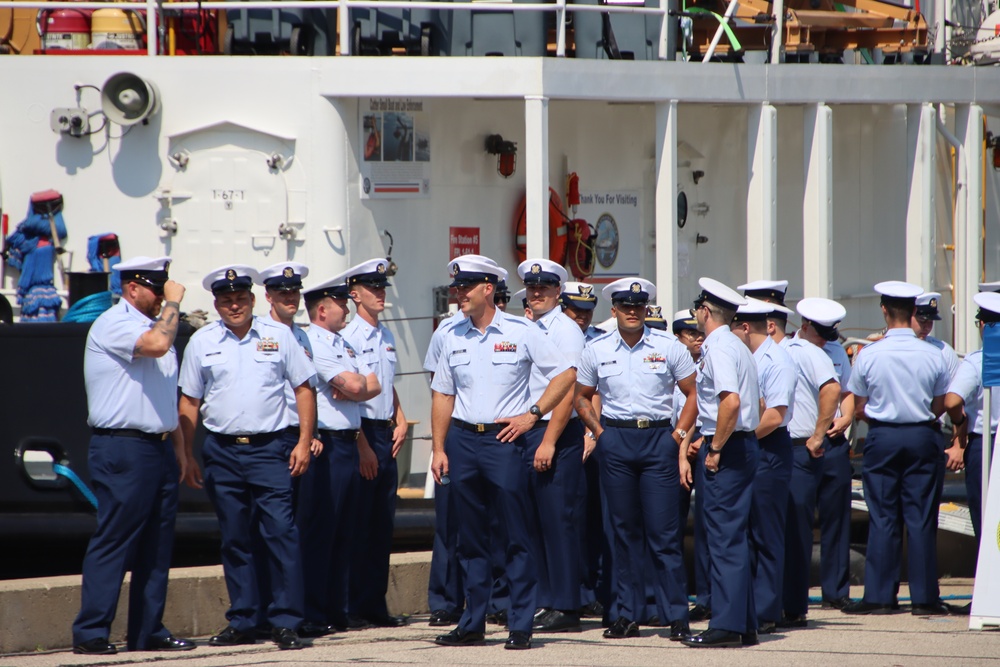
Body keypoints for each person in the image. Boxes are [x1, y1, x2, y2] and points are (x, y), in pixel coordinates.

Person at [430, 255, 576, 651]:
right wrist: (439, 448)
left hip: (503, 441)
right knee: (471, 538)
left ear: (488, 289)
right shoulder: (451, 334)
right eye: (456, 287)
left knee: (515, 535)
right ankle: (472, 621)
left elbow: (565, 374)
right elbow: (442, 393)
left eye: (465, 287)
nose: (458, 293)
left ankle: (520, 623)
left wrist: (533, 415)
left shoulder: (521, 330)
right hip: (462, 440)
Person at [178, 265, 316, 650]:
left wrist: (304, 441)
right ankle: (243, 619)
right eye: (226, 300)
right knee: (235, 538)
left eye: (241, 299)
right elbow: (189, 401)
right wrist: (186, 454)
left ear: (253, 301)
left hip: (270, 449)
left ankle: (286, 620)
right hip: (222, 451)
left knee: (281, 534)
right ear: (217, 304)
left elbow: (304, 389)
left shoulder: (278, 336)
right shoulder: (202, 341)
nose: (234, 306)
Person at [72, 256, 197, 655]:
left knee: (157, 544)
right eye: (156, 291)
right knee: (116, 539)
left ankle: (147, 630)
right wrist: (175, 303)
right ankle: (91, 632)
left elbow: (164, 394)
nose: (163, 298)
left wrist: (178, 448)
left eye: (165, 291)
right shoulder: (116, 323)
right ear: (132, 288)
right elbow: (158, 346)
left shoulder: (153, 324)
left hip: (156, 445)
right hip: (123, 445)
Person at [575, 278, 699, 642]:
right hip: (616, 441)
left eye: (638, 306)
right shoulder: (596, 349)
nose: (632, 312)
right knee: (622, 534)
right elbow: (582, 397)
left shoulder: (667, 346)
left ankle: (676, 615)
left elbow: (692, 394)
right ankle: (626, 615)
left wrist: (676, 437)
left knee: (664, 535)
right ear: (613, 311)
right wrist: (600, 435)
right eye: (625, 306)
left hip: (658, 439)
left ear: (646, 309)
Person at [842, 281, 951, 616]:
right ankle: (924, 598)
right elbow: (941, 402)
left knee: (883, 516)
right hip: (922, 434)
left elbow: (859, 403)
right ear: (913, 313)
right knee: (921, 518)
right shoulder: (934, 353)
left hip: (883, 437)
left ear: (885, 311)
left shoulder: (870, 354)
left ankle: (878, 597)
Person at [298, 273, 382, 635]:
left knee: (344, 532)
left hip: (349, 441)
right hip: (328, 445)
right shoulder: (312, 342)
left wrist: (356, 387)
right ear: (321, 310)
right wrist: (356, 386)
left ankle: (336, 609)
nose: (346, 308)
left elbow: (373, 384)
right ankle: (314, 612)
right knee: (322, 531)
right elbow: (354, 384)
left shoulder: (342, 344)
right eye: (341, 303)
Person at [680, 277, 760, 649]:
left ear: (705, 311)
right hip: (740, 445)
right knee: (735, 538)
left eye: (698, 307)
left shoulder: (719, 348)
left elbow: (730, 403)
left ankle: (726, 625)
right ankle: (743, 622)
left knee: (724, 539)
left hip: (727, 450)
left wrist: (714, 448)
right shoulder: (737, 345)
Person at [516, 259, 587, 634]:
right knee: (537, 521)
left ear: (559, 291)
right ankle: (547, 600)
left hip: (554, 434)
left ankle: (566, 605)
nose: (537, 293)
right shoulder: (531, 327)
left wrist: (548, 440)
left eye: (544, 287)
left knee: (559, 521)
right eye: (532, 287)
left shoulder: (565, 330)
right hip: (531, 431)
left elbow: (569, 390)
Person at [341, 258, 409, 628]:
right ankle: (352, 606)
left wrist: (400, 415)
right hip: (362, 432)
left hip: (385, 431)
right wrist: (364, 445)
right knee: (359, 524)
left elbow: (387, 381)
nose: (380, 294)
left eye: (382, 288)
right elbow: (352, 397)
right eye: (373, 288)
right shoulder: (350, 338)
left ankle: (374, 605)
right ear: (355, 295)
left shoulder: (385, 334)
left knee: (382, 525)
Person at [253, 262, 319, 636]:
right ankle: (266, 612)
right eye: (282, 293)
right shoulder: (264, 334)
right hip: (276, 440)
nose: (290, 298)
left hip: (302, 438)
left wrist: (312, 434)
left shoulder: (303, 337)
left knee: (296, 530)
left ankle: (296, 612)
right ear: (269, 297)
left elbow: (311, 392)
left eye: (294, 292)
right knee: (270, 531)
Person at [729, 298, 797, 635]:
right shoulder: (749, 357)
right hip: (751, 445)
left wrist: (736, 437)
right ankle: (750, 605)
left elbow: (775, 414)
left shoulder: (776, 360)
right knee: (747, 530)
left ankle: (768, 610)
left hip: (767, 446)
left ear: (744, 327)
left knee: (766, 532)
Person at [780, 297, 844, 627]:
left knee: (795, 529)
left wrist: (819, 435)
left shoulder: (812, 352)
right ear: (804, 326)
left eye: (826, 335)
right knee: (783, 527)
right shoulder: (792, 350)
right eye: (820, 333)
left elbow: (833, 391)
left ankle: (792, 605)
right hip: (784, 446)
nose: (824, 341)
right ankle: (783, 602)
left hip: (798, 448)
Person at [945, 291, 1000, 542]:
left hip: (985, 444)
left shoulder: (977, 361)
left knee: (986, 519)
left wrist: (959, 424)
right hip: (985, 443)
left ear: (982, 325)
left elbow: (952, 400)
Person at [672, 309, 711, 622]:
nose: (698, 338)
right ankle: (675, 598)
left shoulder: (711, 362)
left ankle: (708, 598)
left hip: (706, 444)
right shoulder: (670, 365)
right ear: (677, 337)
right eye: (690, 334)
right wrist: (682, 450)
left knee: (708, 529)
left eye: (699, 333)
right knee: (670, 530)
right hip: (675, 448)